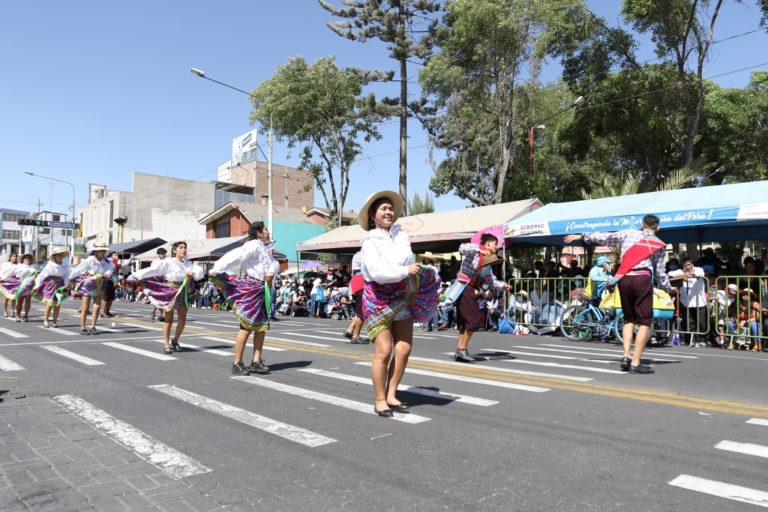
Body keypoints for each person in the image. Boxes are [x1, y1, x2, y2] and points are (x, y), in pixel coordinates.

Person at [358, 190, 440, 417]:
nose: (388, 212)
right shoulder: (369, 241)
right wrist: (405, 270)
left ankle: (392, 393)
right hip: (378, 299)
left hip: (402, 295)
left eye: (390, 208)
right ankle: (380, 399)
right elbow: (377, 272)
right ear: (373, 215)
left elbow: (407, 260)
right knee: (384, 351)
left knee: (403, 348)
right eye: (383, 209)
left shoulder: (401, 236)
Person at [565, 214, 673, 374]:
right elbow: (659, 272)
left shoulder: (629, 233)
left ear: (642, 224)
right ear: (658, 228)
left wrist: (582, 235)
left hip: (624, 279)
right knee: (644, 322)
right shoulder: (658, 244)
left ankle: (626, 356)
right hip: (641, 279)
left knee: (628, 319)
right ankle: (636, 363)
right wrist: (668, 288)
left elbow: (605, 237)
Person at [210, 221, 280, 375]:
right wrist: (217, 269)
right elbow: (237, 255)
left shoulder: (265, 248)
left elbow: (275, 264)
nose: (268, 231)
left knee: (261, 327)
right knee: (246, 328)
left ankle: (256, 361)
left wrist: (271, 271)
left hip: (263, 289)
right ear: (259, 233)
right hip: (251, 289)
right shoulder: (253, 245)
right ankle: (237, 363)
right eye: (266, 229)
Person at [130, 241, 203, 354]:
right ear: (175, 250)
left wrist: (193, 274)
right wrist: (138, 274)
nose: (184, 249)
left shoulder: (188, 264)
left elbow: (197, 274)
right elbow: (154, 270)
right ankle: (166, 343)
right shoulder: (169, 262)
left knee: (182, 320)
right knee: (169, 320)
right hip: (171, 291)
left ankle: (175, 340)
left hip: (183, 291)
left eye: (185, 248)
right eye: (181, 247)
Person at [451, 234, 511, 362]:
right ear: (488, 244)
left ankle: (460, 349)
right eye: (495, 244)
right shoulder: (474, 249)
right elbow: (462, 248)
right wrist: (479, 249)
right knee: (473, 318)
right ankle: (461, 350)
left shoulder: (488, 262)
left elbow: (492, 281)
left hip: (469, 289)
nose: (497, 247)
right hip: (463, 286)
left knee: (466, 319)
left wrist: (503, 286)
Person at [70, 242, 115, 335]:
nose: (102, 252)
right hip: (89, 283)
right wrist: (71, 278)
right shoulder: (90, 259)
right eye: (100, 251)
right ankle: (83, 327)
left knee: (97, 306)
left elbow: (111, 269)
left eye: (103, 251)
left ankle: (93, 326)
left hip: (100, 283)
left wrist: (106, 274)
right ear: (96, 252)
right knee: (85, 307)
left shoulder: (106, 261)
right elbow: (79, 268)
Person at [668, 258, 707, 347]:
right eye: (685, 265)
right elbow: (670, 273)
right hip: (687, 302)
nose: (688, 267)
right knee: (690, 322)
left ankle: (701, 340)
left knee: (701, 322)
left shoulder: (698, 269)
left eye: (689, 265)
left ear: (693, 265)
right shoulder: (680, 271)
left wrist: (688, 274)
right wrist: (683, 275)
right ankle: (690, 341)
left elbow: (699, 273)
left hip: (700, 301)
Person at [33, 247, 71, 328]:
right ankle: (46, 320)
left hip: (60, 284)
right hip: (51, 283)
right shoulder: (50, 265)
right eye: (58, 255)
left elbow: (66, 276)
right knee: (50, 303)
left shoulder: (65, 265)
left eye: (61, 254)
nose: (60, 256)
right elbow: (42, 275)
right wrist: (37, 285)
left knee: (57, 303)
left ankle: (54, 321)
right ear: (54, 256)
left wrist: (66, 285)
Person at [0, 253, 36, 322]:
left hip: (29, 287)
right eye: (25, 257)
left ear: (31, 260)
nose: (27, 259)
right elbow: (10, 273)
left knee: (28, 301)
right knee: (20, 301)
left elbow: (37, 278)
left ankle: (26, 315)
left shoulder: (33, 269)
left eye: (29, 258)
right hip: (20, 285)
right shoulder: (19, 266)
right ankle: (18, 316)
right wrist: (3, 279)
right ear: (23, 259)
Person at [343, 251, 368, 344]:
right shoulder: (365, 254)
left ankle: (350, 330)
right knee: (362, 311)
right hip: (361, 280)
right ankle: (356, 336)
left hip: (356, 280)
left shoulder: (358, 253)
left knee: (359, 310)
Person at [149, 247, 167, 322]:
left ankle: (161, 315)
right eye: (162, 254)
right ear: (159, 254)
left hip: (164, 281)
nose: (164, 255)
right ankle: (153, 312)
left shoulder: (167, 261)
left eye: (164, 254)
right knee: (155, 298)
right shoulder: (155, 261)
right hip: (156, 281)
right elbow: (152, 271)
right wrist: (155, 276)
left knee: (162, 299)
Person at [100, 252, 120, 318]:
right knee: (105, 297)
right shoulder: (106, 261)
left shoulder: (114, 264)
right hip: (106, 280)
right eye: (115, 255)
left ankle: (107, 311)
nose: (117, 256)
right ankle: (103, 312)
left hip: (112, 281)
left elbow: (115, 274)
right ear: (111, 256)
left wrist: (116, 282)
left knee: (111, 298)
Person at [0, 253, 19, 317]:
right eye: (14, 256)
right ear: (10, 257)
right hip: (5, 281)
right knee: (7, 297)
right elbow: (1, 271)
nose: (15, 258)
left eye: (16, 256)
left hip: (14, 282)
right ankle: (5, 311)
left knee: (13, 297)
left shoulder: (17, 265)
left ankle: (12, 311)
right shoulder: (5, 264)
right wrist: (1, 278)